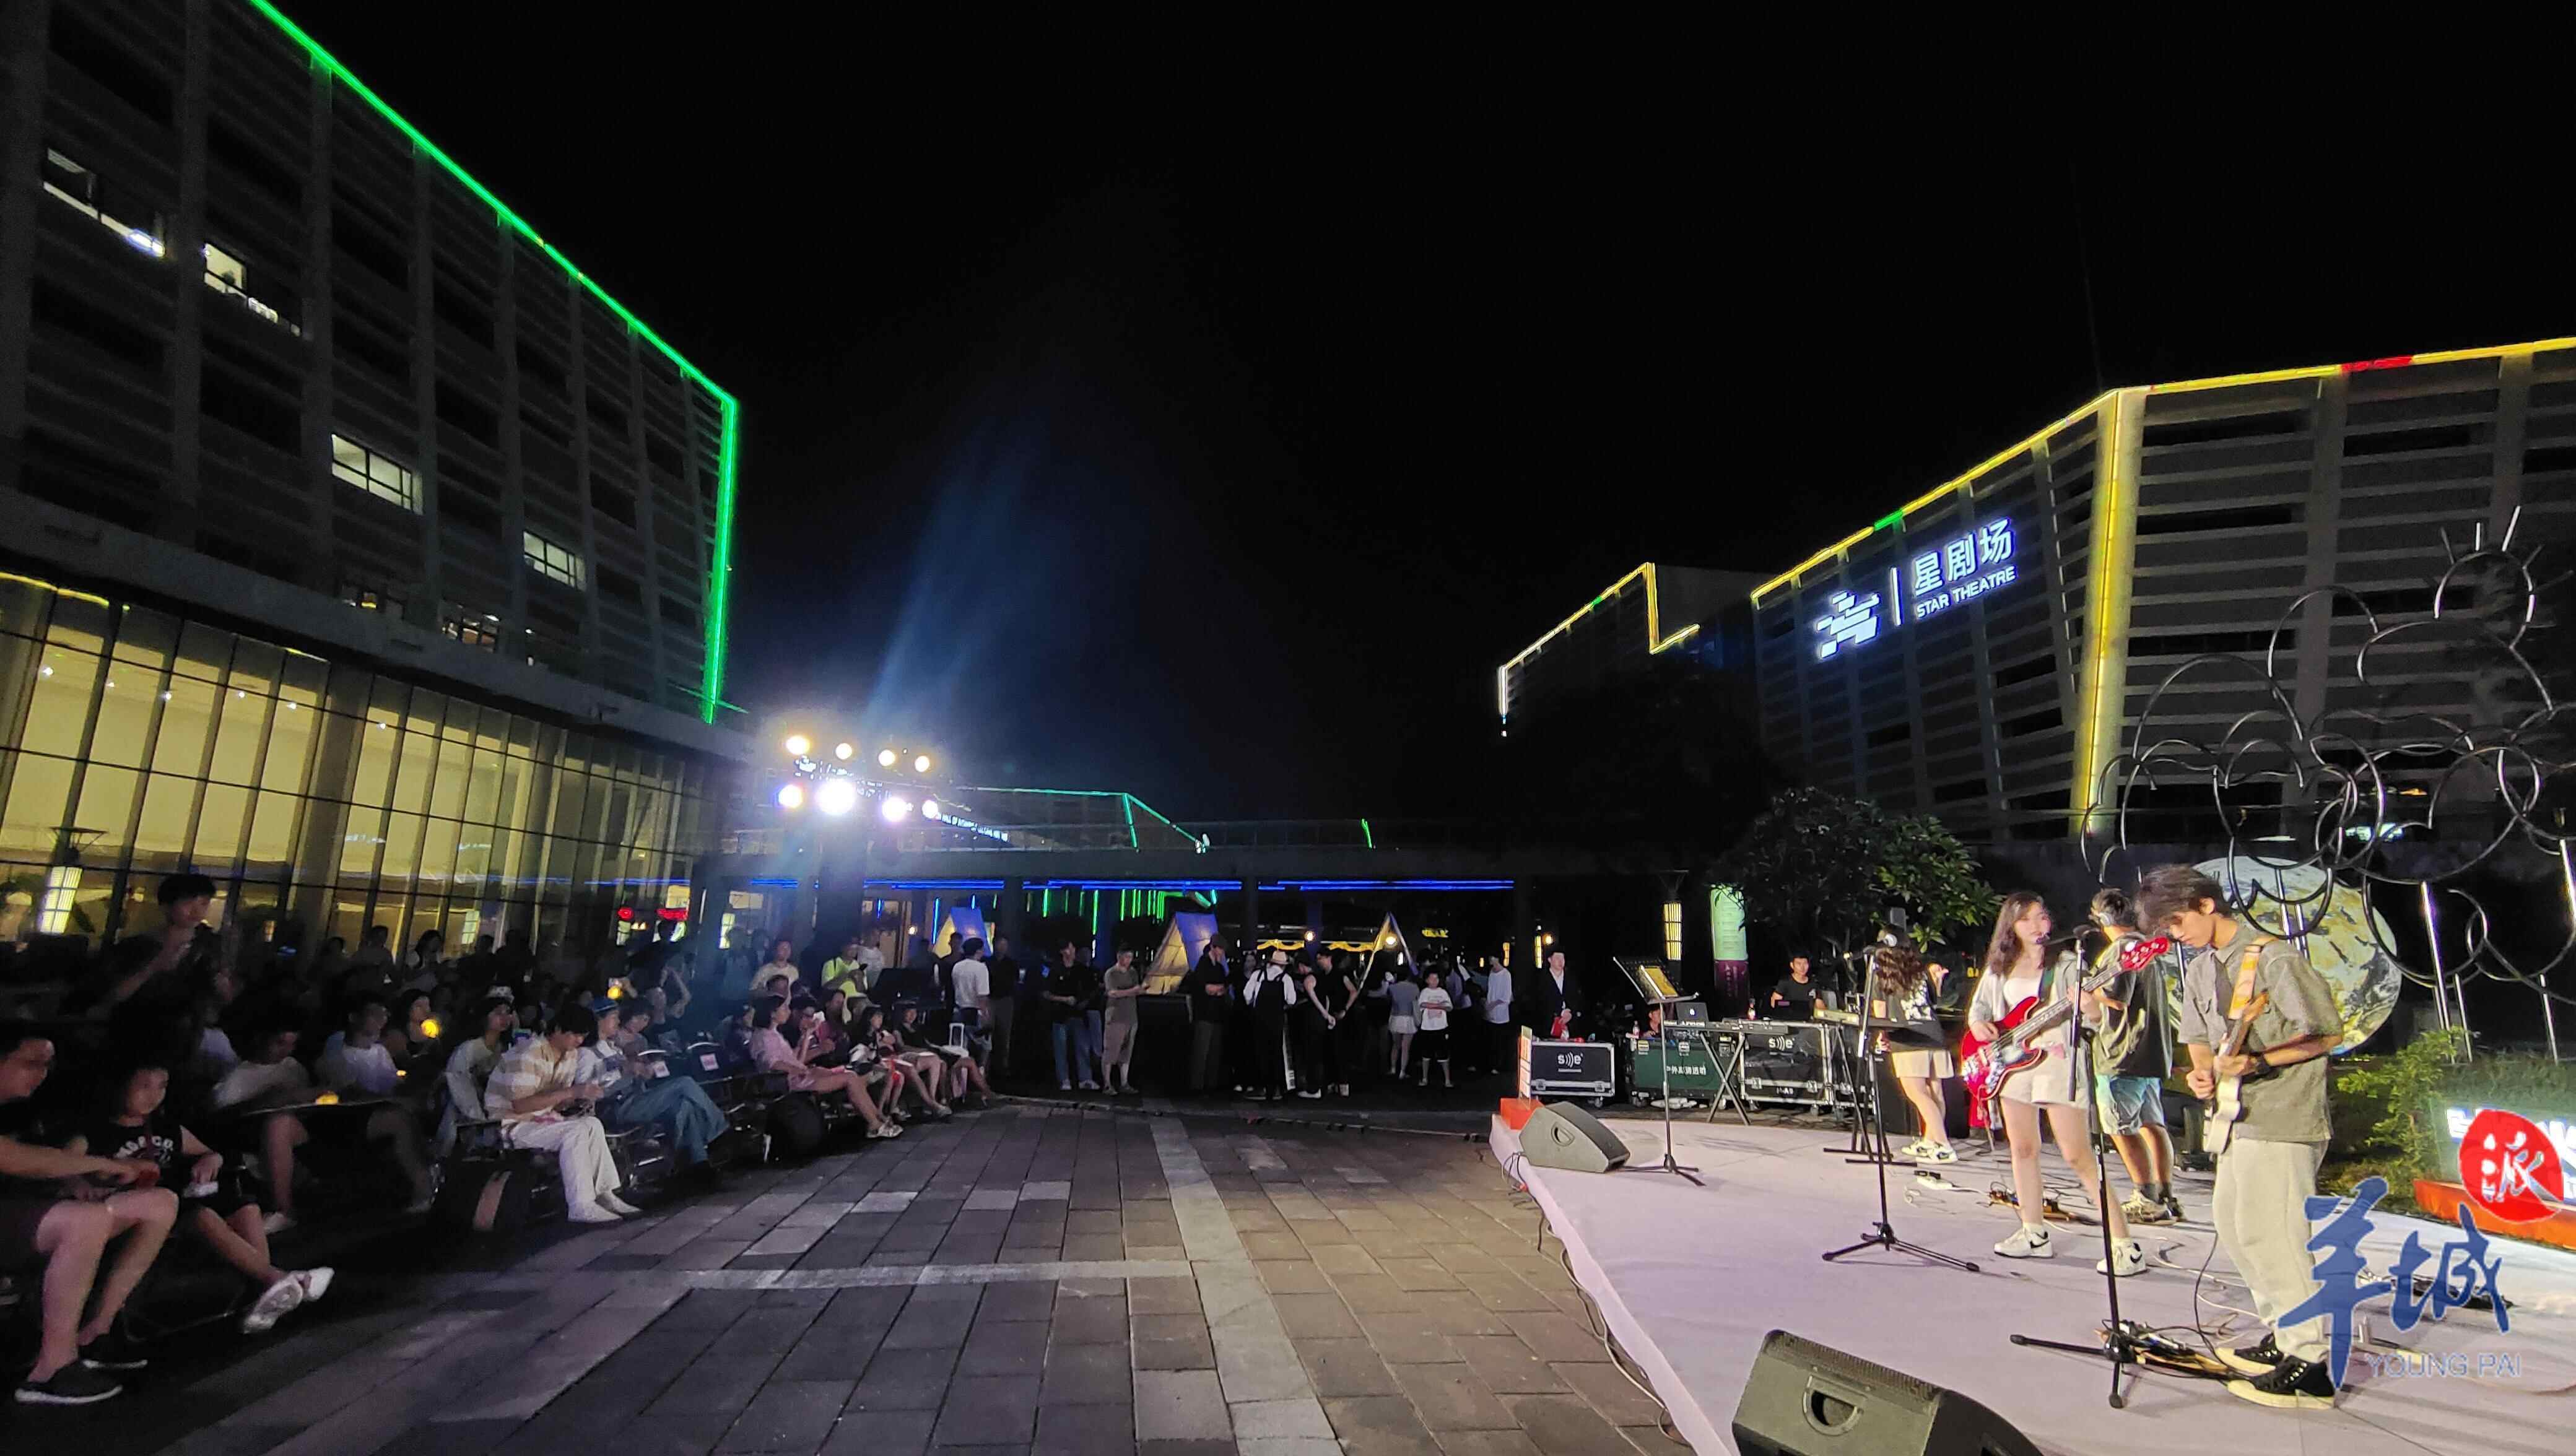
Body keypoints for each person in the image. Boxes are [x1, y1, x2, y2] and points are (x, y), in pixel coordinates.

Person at [2141, 864, 2344, 1410]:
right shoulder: (2201, 968)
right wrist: (2200, 1073)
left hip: (2283, 1116)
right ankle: (2283, 1334)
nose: (2175, 935)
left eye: (2177, 921)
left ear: (2206, 905)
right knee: (2237, 1228)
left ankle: (2310, 1363)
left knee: (2277, 1235)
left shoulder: (2273, 958)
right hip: (2234, 1118)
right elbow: (2199, 1039)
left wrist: (2259, 1062)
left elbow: (2327, 1033)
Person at [64, 1061, 328, 1335]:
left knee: (246, 1207)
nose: (153, 1095)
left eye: (161, 1087)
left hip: (181, 1199)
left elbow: (210, 1153)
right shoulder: (94, 1133)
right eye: (144, 1086)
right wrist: (81, 1184)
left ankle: (262, 1291)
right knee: (201, 1215)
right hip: (146, 1211)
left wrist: (210, 1160)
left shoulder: (166, 1128)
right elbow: (63, 1168)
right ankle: (276, 1279)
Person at [1, 1021, 178, 1405]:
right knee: (85, 1220)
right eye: (31, 1063)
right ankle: (51, 1369)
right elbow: (14, 1159)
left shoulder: (21, 1110)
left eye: (47, 1065)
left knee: (159, 1203)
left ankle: (96, 1332)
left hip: (15, 1212)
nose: (41, 1074)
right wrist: (105, 1165)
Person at [1967, 893, 2141, 1275]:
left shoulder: (2066, 965)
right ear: (2011, 926)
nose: (2036, 925)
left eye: (2041, 917)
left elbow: (2094, 1019)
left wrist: (2089, 1006)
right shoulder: (1999, 968)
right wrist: (1978, 1025)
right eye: (2026, 919)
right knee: (2023, 1149)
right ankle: (2033, 1231)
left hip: (2058, 1063)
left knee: (2077, 1155)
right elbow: (1979, 1010)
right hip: (2015, 1065)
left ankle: (2124, 1245)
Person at [484, 1003, 644, 1223]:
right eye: (575, 1035)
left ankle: (605, 1195)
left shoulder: (570, 1055)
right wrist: (572, 1092)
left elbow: (556, 1101)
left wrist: (578, 1099)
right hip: (511, 1124)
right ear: (558, 1029)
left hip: (542, 1119)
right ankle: (581, 1205)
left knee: (591, 1124)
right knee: (575, 1132)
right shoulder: (528, 1054)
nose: (579, 1041)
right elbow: (520, 1105)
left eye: (583, 1036)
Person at [2087, 888, 2182, 1225]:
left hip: (2122, 1053)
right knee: (2152, 1125)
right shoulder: (2143, 946)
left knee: (2121, 1127)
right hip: (2148, 1053)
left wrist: (2087, 988)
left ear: (2102, 920)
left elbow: (2116, 997)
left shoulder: (2121, 950)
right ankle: (2166, 1196)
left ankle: (2146, 1198)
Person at [580, 1002, 729, 1186]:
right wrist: (626, 1073)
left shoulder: (612, 1048)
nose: (618, 1021)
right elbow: (588, 1093)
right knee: (685, 1083)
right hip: (618, 1106)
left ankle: (699, 1167)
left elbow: (625, 1075)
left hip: (635, 1098)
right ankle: (720, 1130)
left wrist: (641, 1071)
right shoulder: (587, 1054)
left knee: (683, 1106)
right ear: (598, 1021)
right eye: (613, 1017)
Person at [748, 995, 904, 1137]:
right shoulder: (763, 1037)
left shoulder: (774, 1034)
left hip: (803, 1074)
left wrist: (807, 1035)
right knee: (849, 1078)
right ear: (772, 1014)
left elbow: (798, 1060)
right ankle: (875, 1124)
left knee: (851, 1075)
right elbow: (772, 1064)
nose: (788, 1011)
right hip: (791, 1081)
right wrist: (799, 1070)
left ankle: (877, 1117)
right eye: (784, 1009)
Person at [1868, 944, 1955, 1164]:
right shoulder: (1920, 973)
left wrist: (1882, 1036)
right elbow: (1934, 1001)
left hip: (1908, 1038)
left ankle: (1943, 1145)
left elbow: (1881, 1015)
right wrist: (1937, 981)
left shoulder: (1882, 977)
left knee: (1917, 1093)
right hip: (1934, 1035)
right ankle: (1930, 1141)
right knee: (1935, 1093)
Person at [440, 993, 518, 1152]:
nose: (504, 1018)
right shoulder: (468, 1048)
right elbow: (458, 1081)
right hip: (469, 1111)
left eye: (508, 1013)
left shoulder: (508, 1048)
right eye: (498, 1013)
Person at [1045, 943, 1102, 1092]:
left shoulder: (1080, 970)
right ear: (1063, 951)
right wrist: (1064, 1000)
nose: (1073, 951)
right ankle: (1064, 1079)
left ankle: (1085, 1079)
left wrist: (1084, 1002)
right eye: (1070, 948)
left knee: (1083, 1047)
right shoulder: (1056, 970)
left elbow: (1091, 989)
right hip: (1060, 1015)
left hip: (1078, 1014)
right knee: (1061, 1049)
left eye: (1073, 948)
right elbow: (1047, 993)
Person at [1240, 949, 1297, 1100]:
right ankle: (1276, 1088)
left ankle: (1262, 1087)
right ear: (1283, 965)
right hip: (1276, 1019)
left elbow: (1247, 995)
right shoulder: (1286, 979)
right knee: (1276, 1053)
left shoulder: (1258, 975)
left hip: (1259, 1019)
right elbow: (1292, 1000)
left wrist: (1252, 1003)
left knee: (1260, 1053)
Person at [1186, 940, 1232, 1094]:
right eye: (1220, 949)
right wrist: (1217, 989)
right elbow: (1208, 989)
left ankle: (1210, 1084)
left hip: (1216, 1013)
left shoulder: (1219, 967)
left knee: (1213, 1051)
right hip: (1205, 1013)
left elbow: (1221, 989)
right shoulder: (1203, 966)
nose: (1222, 953)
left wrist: (1217, 989)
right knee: (1202, 1050)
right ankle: (1198, 1085)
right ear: (1213, 948)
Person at [1290, 958, 1336, 1099]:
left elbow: (1313, 997)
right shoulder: (1321, 977)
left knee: (1312, 1054)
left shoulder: (1309, 979)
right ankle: (1321, 1086)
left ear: (1301, 966)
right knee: (1319, 1053)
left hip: (1313, 1018)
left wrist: (1325, 1014)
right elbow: (1326, 999)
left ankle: (1313, 1089)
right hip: (1320, 1019)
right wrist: (1327, 1015)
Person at [1101, 948, 1144, 1095]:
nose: (1129, 960)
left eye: (1131, 957)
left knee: (1127, 1053)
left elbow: (1137, 990)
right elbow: (1112, 993)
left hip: (1131, 1017)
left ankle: (1124, 1083)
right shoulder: (1111, 973)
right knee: (1111, 1051)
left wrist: (1141, 990)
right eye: (1126, 957)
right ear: (1119, 956)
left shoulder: (1133, 972)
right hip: (1116, 1017)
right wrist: (1132, 991)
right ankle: (1107, 1084)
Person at [1525, 948, 1583, 1038]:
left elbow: (1577, 1000)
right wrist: (1560, 1012)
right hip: (1546, 1028)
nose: (1561, 961)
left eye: (1562, 958)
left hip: (1570, 1028)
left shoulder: (1571, 978)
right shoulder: (1539, 979)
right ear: (1550, 960)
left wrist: (1571, 1014)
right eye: (1557, 958)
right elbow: (1538, 1003)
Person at [986, 934, 1022, 1078]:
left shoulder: (1011, 964)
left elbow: (1016, 982)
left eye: (1005, 945)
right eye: (1001, 944)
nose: (1003, 948)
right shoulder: (987, 962)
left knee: (1004, 1034)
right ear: (994, 945)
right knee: (988, 1033)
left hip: (1006, 1000)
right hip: (990, 999)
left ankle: (1003, 1066)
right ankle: (986, 1066)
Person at [1414, 968, 1455, 1088]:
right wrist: (1440, 1005)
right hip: (1427, 1027)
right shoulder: (1425, 992)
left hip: (1441, 1027)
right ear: (1427, 980)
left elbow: (1449, 1007)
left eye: (1436, 978)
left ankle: (1447, 1080)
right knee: (1426, 1054)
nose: (1434, 981)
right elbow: (1422, 1004)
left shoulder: (1443, 992)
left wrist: (1433, 1006)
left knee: (1443, 1054)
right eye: (1432, 979)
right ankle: (1425, 1078)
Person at [1479, 955, 1515, 1081]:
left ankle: (1498, 1065)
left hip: (1500, 1011)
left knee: (1499, 1039)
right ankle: (1490, 1064)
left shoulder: (1506, 974)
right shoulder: (1492, 973)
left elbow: (1506, 996)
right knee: (1490, 1038)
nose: (1491, 960)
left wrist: (1493, 1004)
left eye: (1493, 957)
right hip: (1489, 1010)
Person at [951, 937, 992, 1046]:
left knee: (959, 1046)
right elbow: (982, 996)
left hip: (958, 1010)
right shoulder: (981, 968)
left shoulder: (957, 966)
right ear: (978, 951)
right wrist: (986, 1017)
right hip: (975, 1013)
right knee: (983, 1046)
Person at [1386, 967, 1420, 1081]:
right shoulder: (1414, 987)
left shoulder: (1392, 988)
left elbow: (1389, 1000)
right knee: (1406, 1047)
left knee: (1395, 1045)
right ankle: (1402, 1072)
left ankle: (1393, 1068)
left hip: (1395, 1018)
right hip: (1409, 1018)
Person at [1767, 953, 1821, 1021]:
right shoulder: (1785, 982)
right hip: (1787, 1021)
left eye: (1805, 964)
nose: (1802, 967)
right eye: (1799, 964)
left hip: (1808, 1021)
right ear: (1792, 965)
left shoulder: (1814, 984)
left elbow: (1820, 1006)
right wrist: (1790, 1004)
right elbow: (1775, 1003)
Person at [820, 936, 872, 1001]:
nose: (854, 948)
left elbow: (862, 992)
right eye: (851, 945)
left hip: (855, 1001)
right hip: (838, 1001)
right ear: (842, 948)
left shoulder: (859, 966)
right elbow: (827, 988)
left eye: (856, 946)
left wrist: (859, 980)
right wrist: (848, 976)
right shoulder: (831, 964)